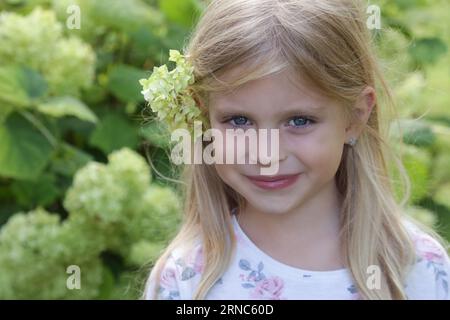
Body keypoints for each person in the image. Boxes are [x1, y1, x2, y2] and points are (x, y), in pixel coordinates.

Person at [142, 0, 450, 300]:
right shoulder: (186, 278)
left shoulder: (413, 269)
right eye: (239, 121)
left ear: (355, 117)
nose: (266, 154)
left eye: (299, 120)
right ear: (204, 116)